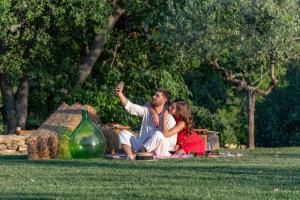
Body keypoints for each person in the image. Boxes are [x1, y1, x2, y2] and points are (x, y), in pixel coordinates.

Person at [115, 82, 176, 160]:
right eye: (154, 94)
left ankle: (137, 155)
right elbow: (131, 107)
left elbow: (170, 143)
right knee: (124, 133)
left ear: (163, 100)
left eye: (157, 96)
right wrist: (120, 94)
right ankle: (130, 155)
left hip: (160, 150)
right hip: (143, 146)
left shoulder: (169, 118)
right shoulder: (147, 111)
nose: (153, 96)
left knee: (158, 134)